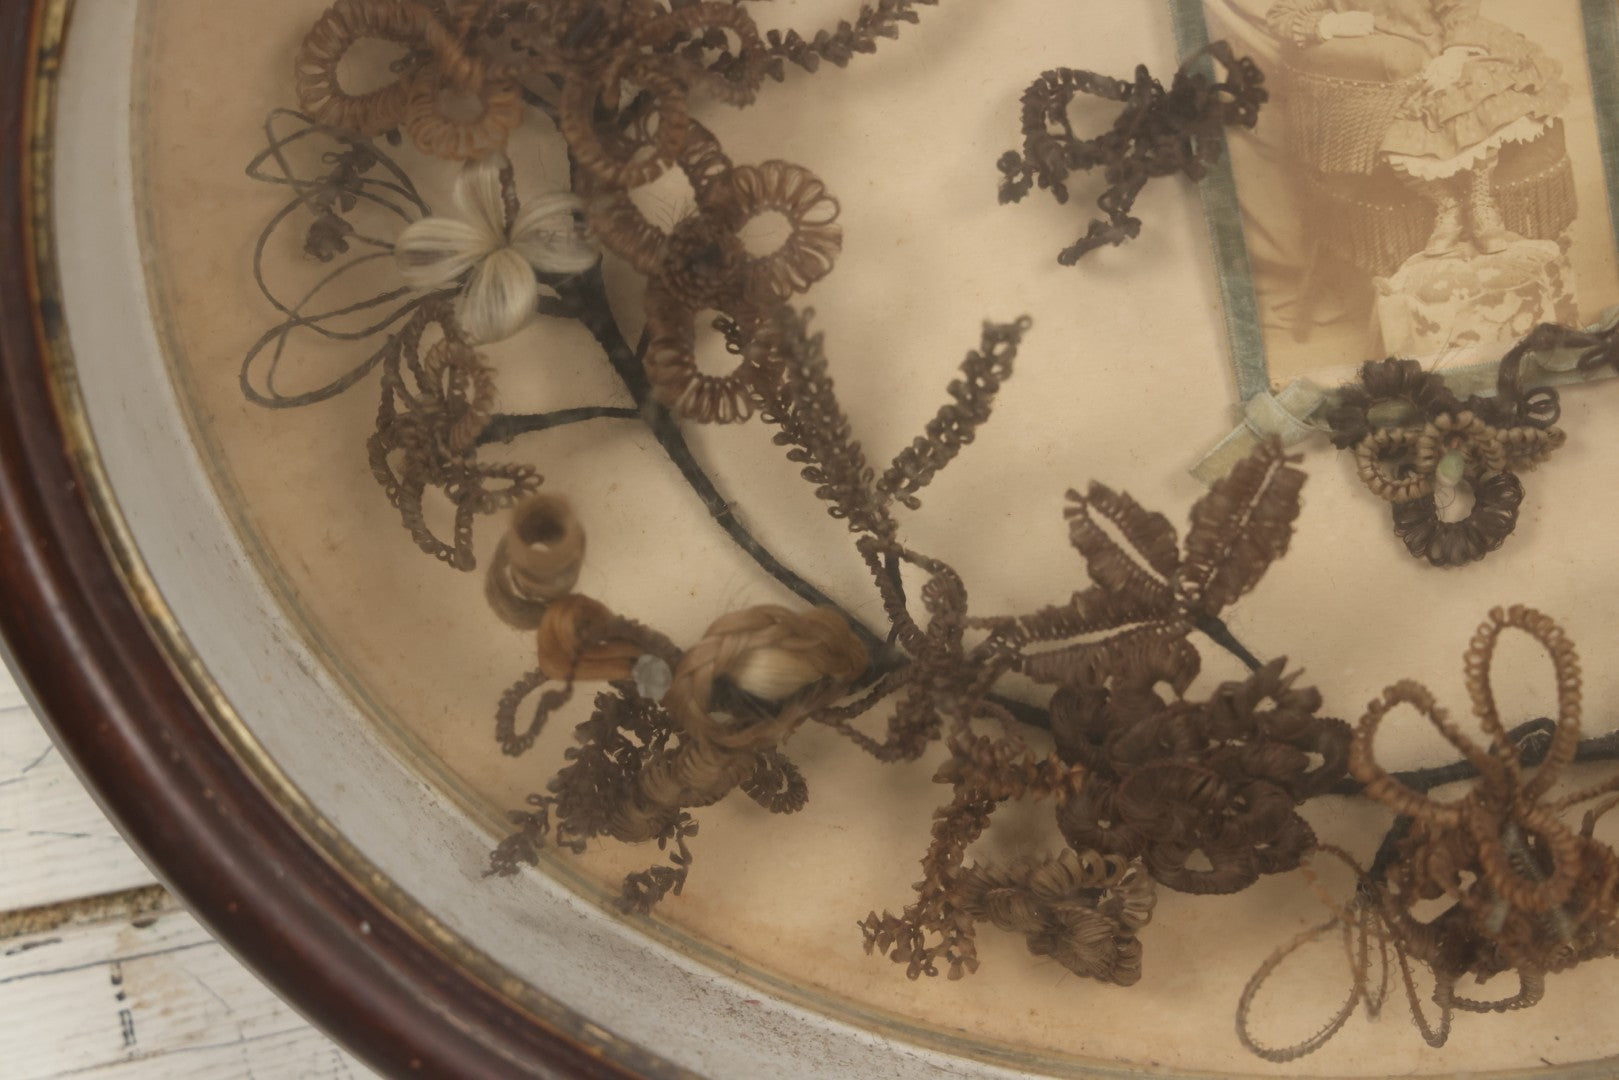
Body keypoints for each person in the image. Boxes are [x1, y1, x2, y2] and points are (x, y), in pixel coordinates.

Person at [1266, 0, 1568, 256]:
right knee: (1387, 132)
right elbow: (1282, 15)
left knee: (1478, 95)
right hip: (1393, 75)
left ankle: (1480, 202)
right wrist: (1330, 23)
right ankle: (1447, 204)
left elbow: (1458, 6)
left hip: (1445, 47)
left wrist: (1455, 53)